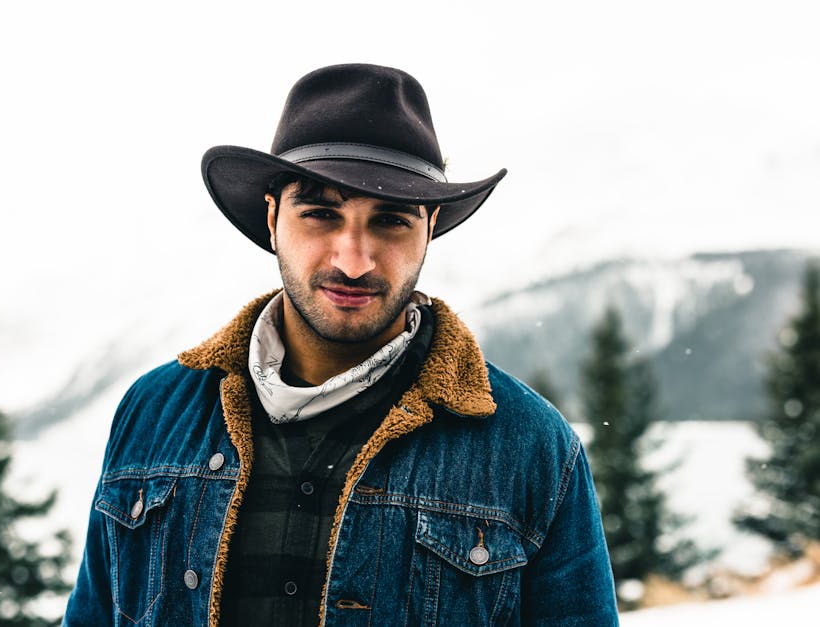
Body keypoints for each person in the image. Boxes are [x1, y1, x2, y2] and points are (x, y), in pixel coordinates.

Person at [64, 63, 618, 626]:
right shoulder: (154, 413)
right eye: (321, 214)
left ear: (430, 228)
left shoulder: (528, 444)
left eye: (391, 221)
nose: (353, 260)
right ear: (273, 218)